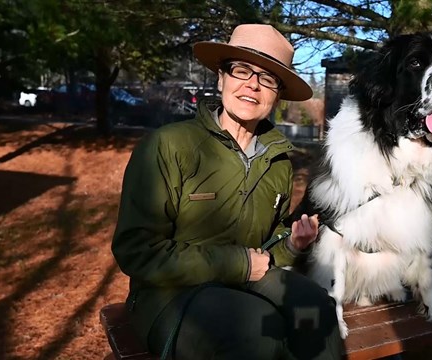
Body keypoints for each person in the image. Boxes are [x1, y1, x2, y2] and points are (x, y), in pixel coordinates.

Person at [111, 24, 343, 359]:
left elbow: (266, 246)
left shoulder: (278, 161)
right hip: (168, 292)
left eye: (267, 78)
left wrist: (291, 244)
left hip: (245, 280)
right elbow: (137, 250)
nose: (252, 84)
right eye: (242, 70)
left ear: (277, 95)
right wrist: (237, 264)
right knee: (253, 331)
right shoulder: (168, 146)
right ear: (221, 78)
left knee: (316, 308)